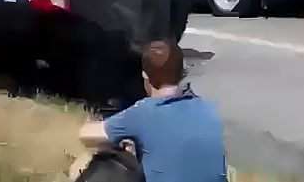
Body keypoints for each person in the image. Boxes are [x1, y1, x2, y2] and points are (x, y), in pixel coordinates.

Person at [76, 39, 226, 182]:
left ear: (145, 77)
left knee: (92, 156)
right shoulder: (209, 108)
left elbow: (86, 135)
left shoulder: (144, 112)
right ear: (183, 73)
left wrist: (107, 137)